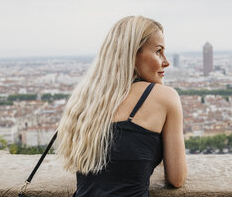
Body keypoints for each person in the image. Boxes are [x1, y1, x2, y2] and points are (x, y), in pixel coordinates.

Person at [56, 16, 188, 196]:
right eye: (158, 51)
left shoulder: (86, 100)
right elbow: (176, 178)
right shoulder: (165, 97)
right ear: (132, 54)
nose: (166, 61)